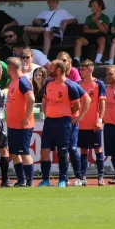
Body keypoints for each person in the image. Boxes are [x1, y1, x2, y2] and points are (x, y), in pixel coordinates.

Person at [38, 60, 84, 188]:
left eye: (51, 68)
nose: (48, 70)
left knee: (63, 152)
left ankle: (62, 180)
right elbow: (45, 100)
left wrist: (66, 114)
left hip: (63, 122)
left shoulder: (70, 86)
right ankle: (46, 180)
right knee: (44, 151)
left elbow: (77, 105)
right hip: (49, 121)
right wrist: (48, 112)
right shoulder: (48, 83)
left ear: (58, 70)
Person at [5, 57, 36, 187]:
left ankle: (29, 181)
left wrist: (26, 118)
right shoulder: (13, 82)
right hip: (13, 124)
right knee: (14, 152)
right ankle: (21, 180)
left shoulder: (23, 81)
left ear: (10, 68)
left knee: (24, 152)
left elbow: (32, 99)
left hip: (23, 124)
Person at [77, 60, 106, 186]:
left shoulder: (98, 84)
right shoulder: (78, 84)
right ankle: (83, 177)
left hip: (94, 123)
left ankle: (100, 177)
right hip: (82, 123)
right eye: (80, 69)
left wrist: (100, 119)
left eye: (83, 69)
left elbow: (102, 103)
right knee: (83, 150)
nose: (81, 71)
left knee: (98, 149)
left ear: (90, 70)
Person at [74, 0, 110, 66]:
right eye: (91, 6)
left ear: (100, 6)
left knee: (103, 40)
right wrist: (96, 30)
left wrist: (97, 22)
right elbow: (85, 30)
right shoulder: (89, 17)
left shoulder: (105, 18)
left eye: (94, 6)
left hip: (100, 36)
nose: (92, 8)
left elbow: (105, 31)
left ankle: (97, 60)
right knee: (78, 41)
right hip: (90, 35)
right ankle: (76, 60)